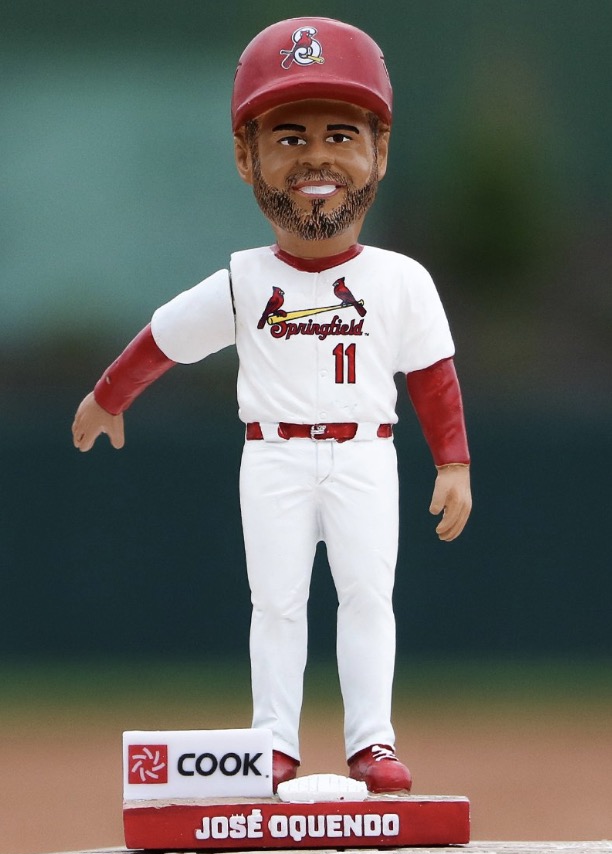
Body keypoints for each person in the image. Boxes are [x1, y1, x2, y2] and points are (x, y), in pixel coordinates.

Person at [72, 17, 472, 794]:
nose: (316, 156)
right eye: (289, 137)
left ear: (380, 151)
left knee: (367, 599)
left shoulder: (401, 280)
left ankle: (372, 743)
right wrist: (108, 397)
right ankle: (272, 744)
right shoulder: (245, 280)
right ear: (245, 155)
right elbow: (164, 338)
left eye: (340, 134)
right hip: (275, 454)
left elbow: (433, 375)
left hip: (364, 451)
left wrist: (453, 462)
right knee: (278, 604)